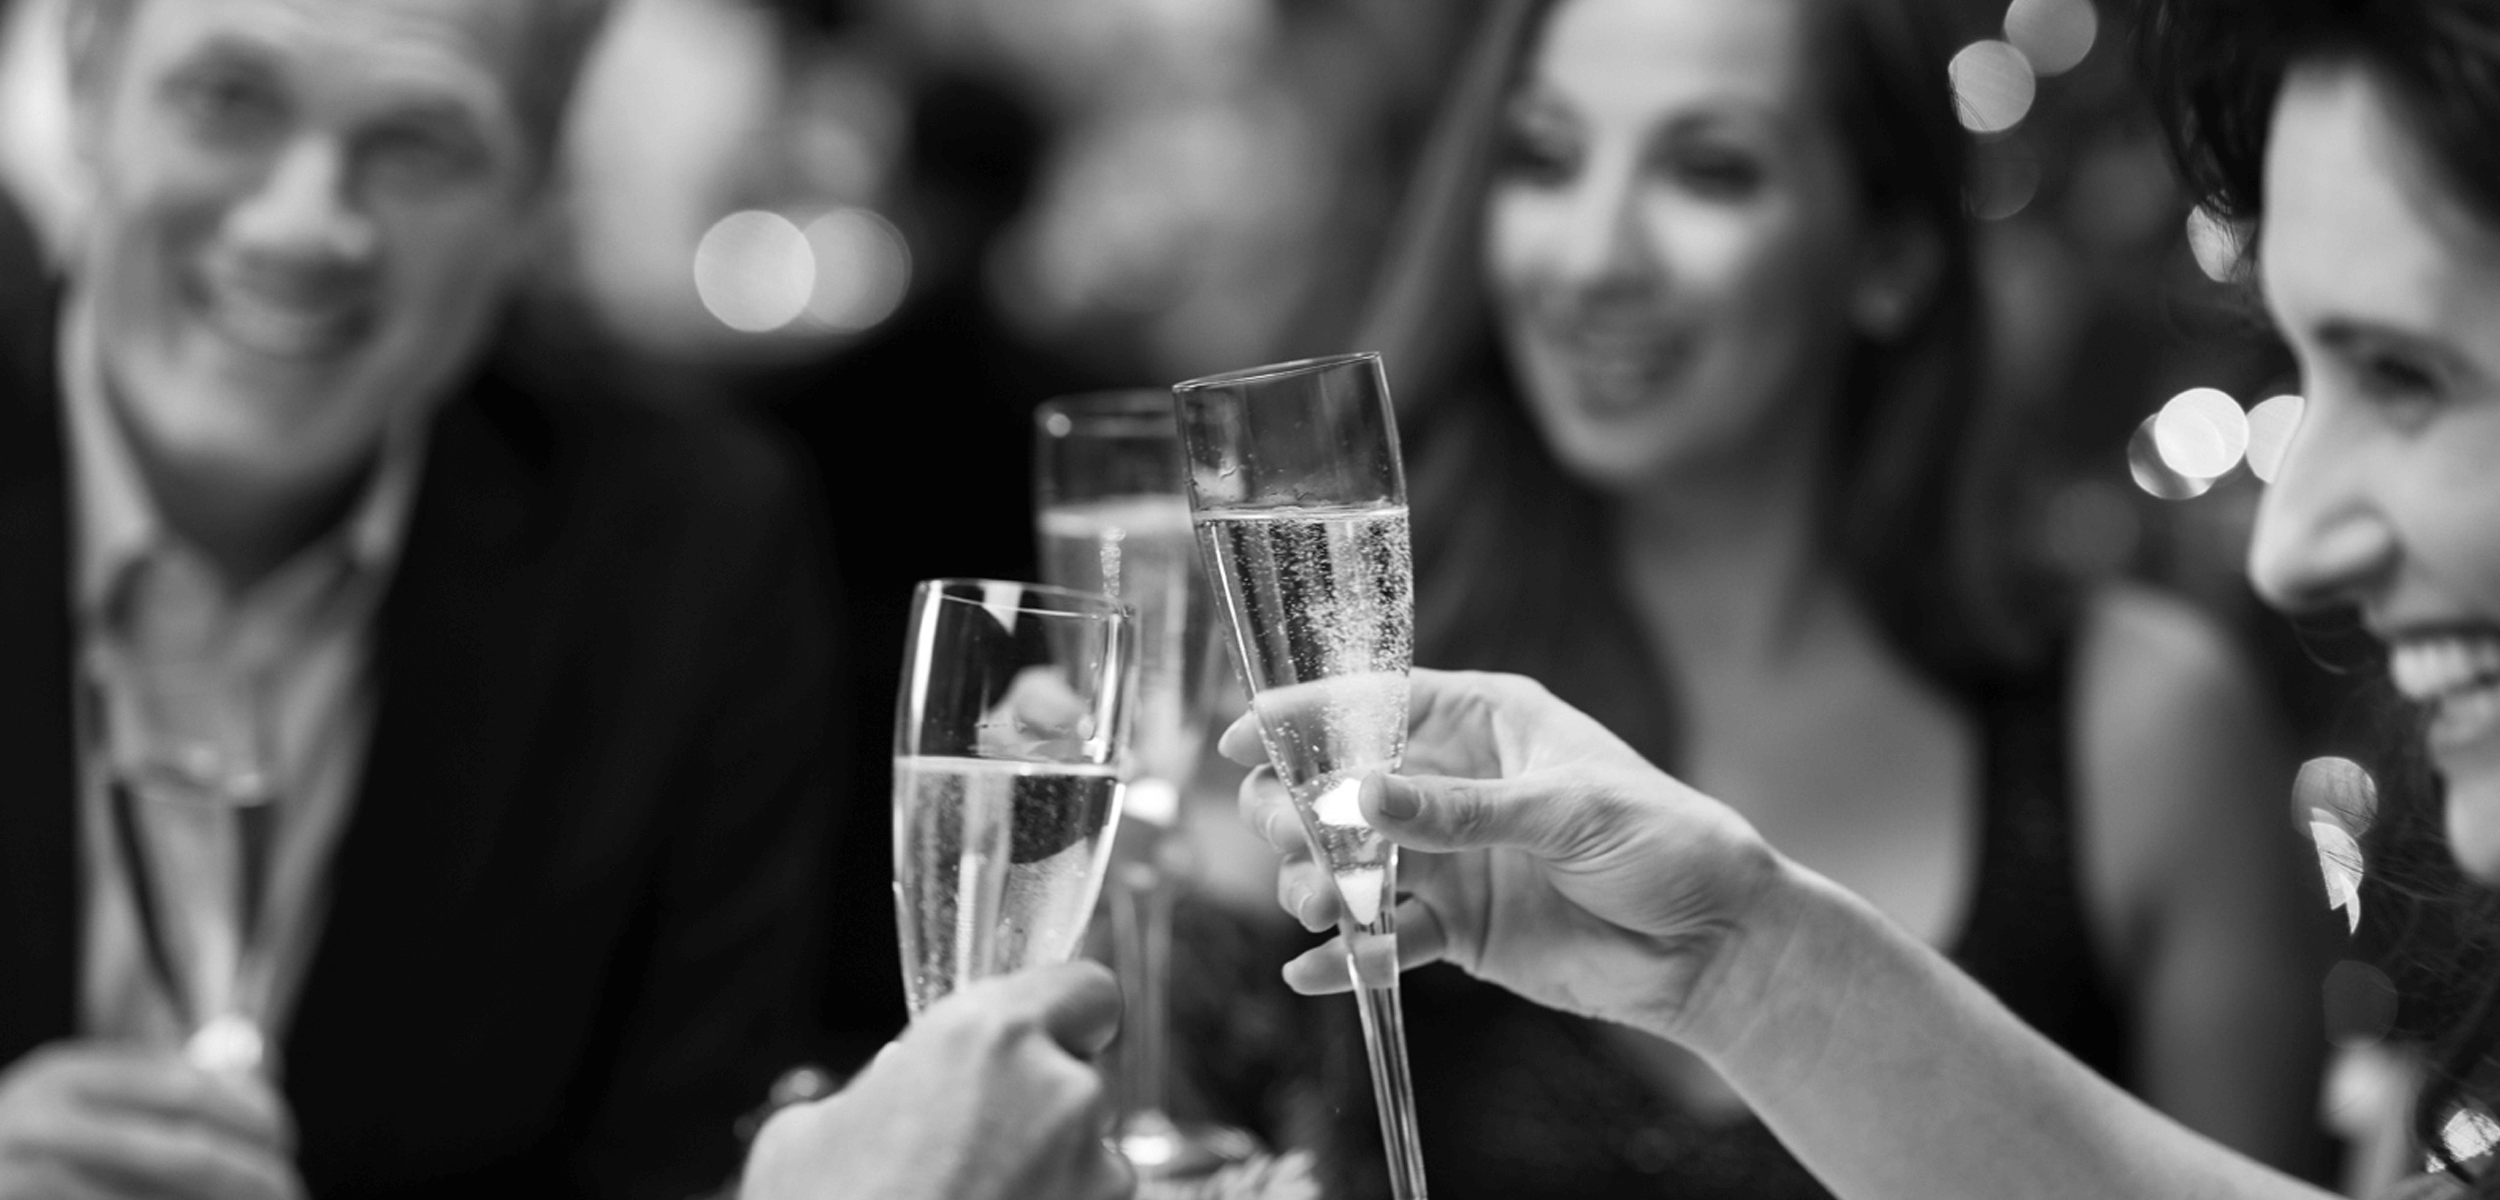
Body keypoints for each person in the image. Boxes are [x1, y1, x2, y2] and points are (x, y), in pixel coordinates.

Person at [1234, 0, 2500, 1195]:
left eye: (1709, 170)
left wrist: (1747, 965)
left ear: (1889, 252)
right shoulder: (1370, 696)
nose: (1592, 256)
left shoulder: (2139, 722)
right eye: (1543, 157)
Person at [0, 1, 854, 1195]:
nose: (302, 227)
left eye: (419, 142)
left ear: (533, 194)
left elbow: (689, 1150)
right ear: (86, 91)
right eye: (229, 99)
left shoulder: (686, 563)